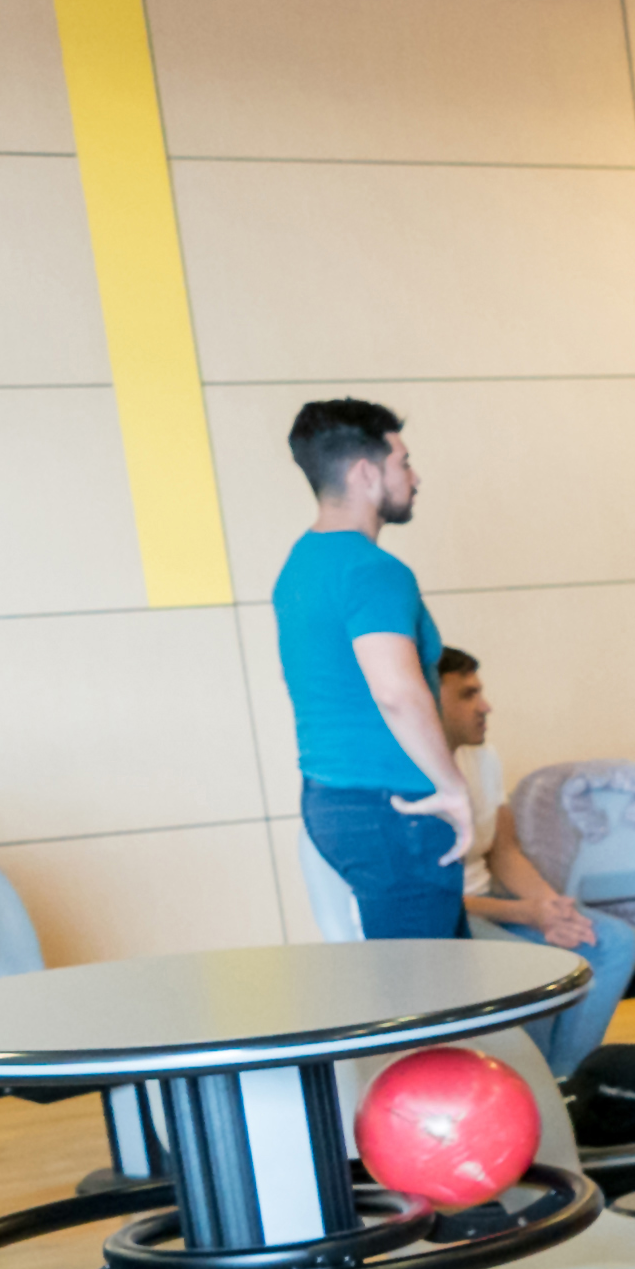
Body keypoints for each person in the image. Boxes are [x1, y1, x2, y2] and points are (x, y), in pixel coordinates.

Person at [267, 397, 489, 959]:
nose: (415, 477)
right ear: (367, 473)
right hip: (398, 810)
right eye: (404, 462)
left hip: (333, 800)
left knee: (438, 989)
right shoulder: (373, 571)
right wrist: (453, 788)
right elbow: (394, 690)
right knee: (428, 1000)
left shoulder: (299, 566)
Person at [413, 646, 635, 1076]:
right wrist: (527, 913)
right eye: (468, 694)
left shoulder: (483, 757)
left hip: (493, 904)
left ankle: (564, 1085)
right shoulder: (404, 774)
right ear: (429, 697)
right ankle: (529, 1093)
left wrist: (551, 908)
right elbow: (435, 898)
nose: (486, 706)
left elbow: (504, 850)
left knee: (612, 942)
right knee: (535, 969)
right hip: (445, 918)